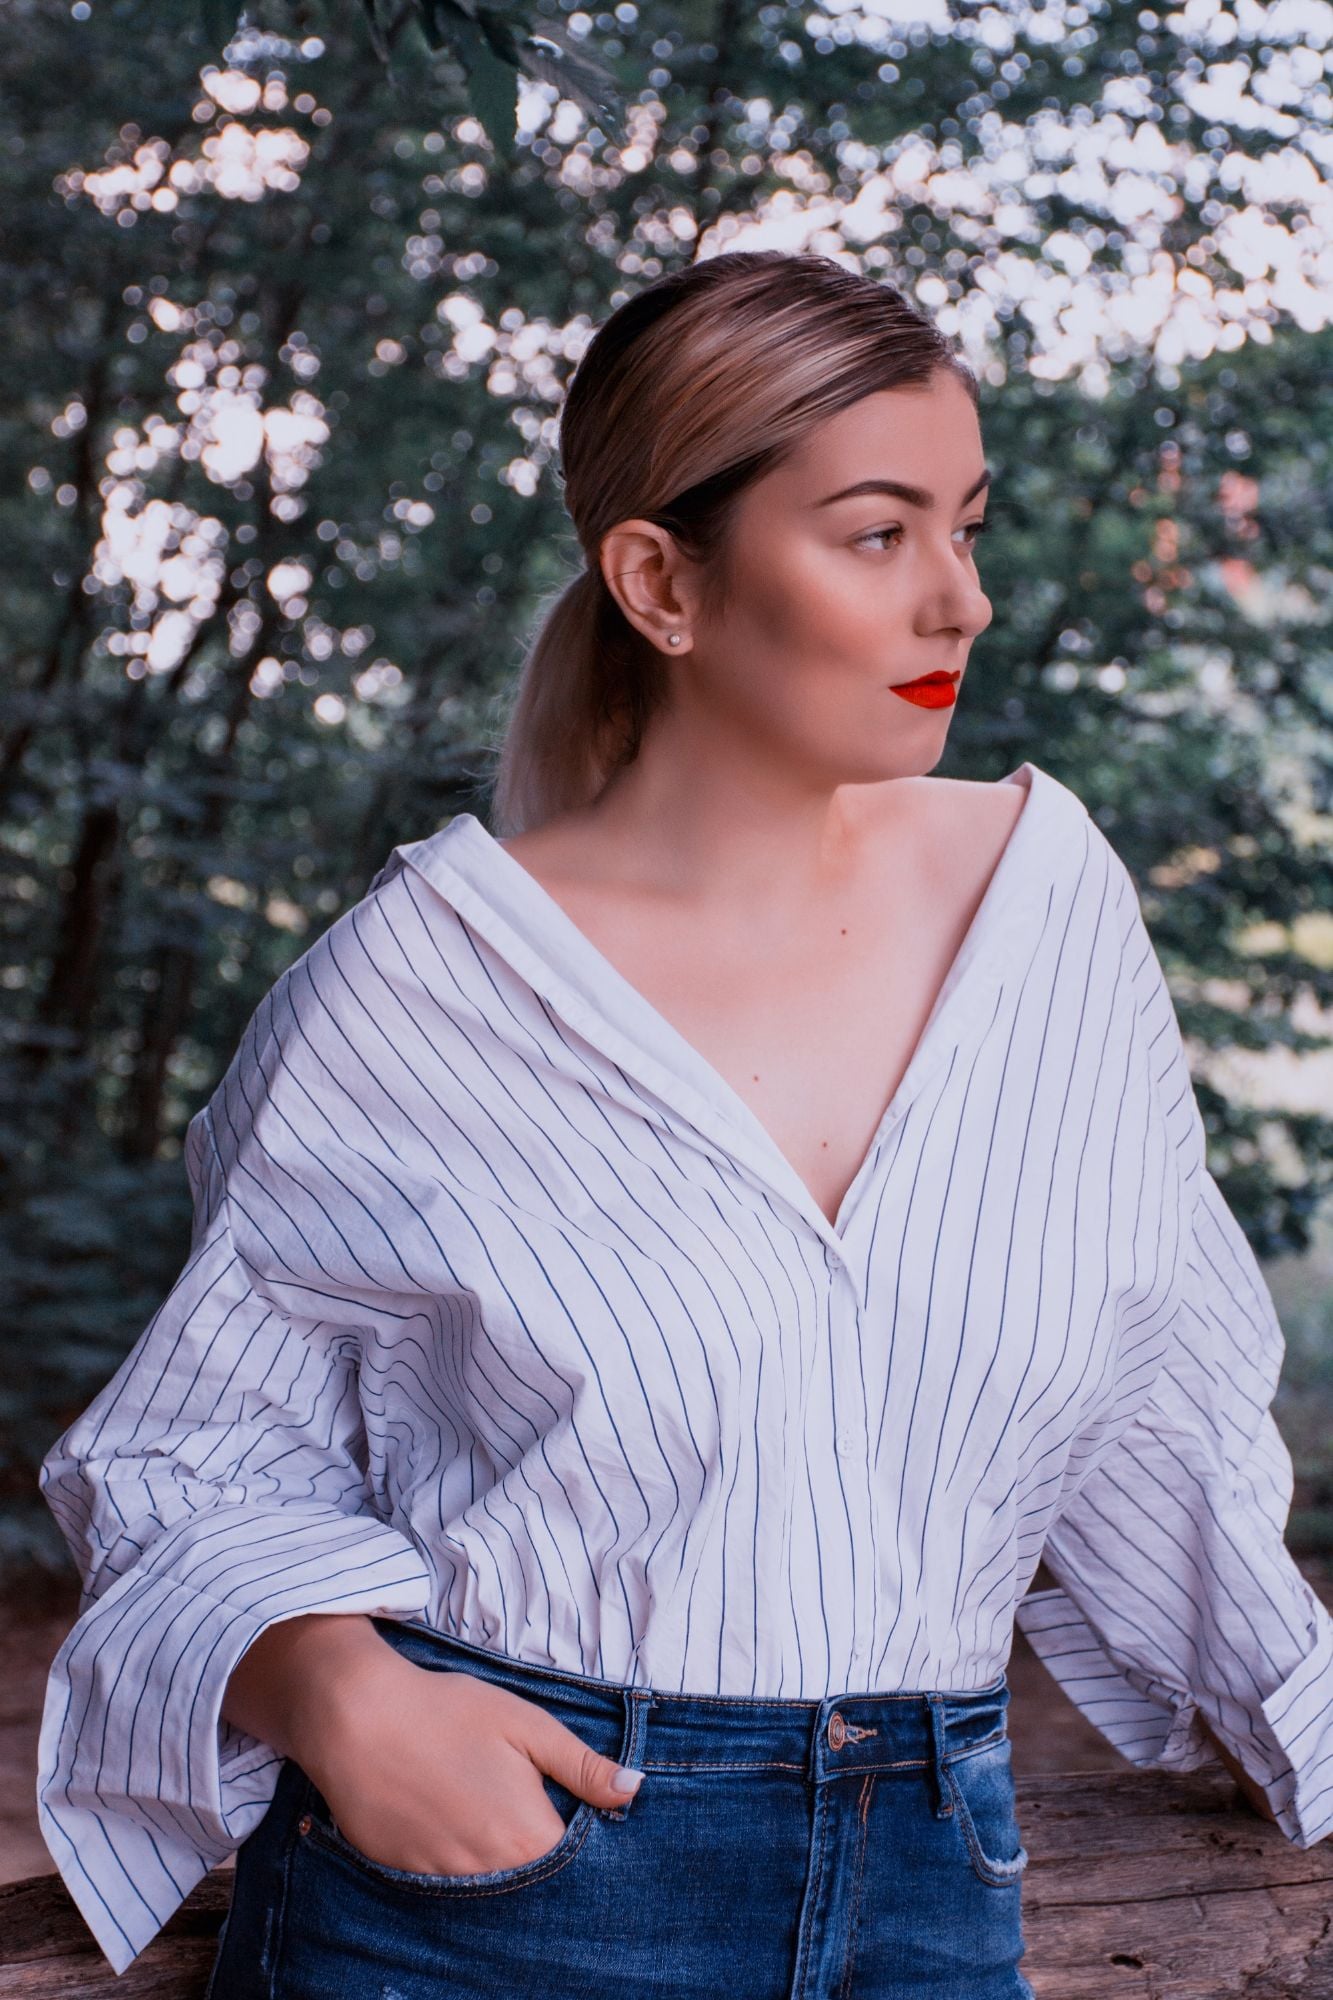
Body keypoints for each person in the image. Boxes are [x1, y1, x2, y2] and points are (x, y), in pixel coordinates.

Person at [35, 250, 1332, 1999]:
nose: (959, 603)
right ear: (657, 579)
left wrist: (1293, 1719)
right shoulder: (414, 991)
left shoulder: (1052, 908)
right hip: (491, 1897)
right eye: (877, 535)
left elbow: (1155, 1385)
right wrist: (345, 1696)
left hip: (935, 1876)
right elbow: (185, 1456)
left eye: (967, 525)